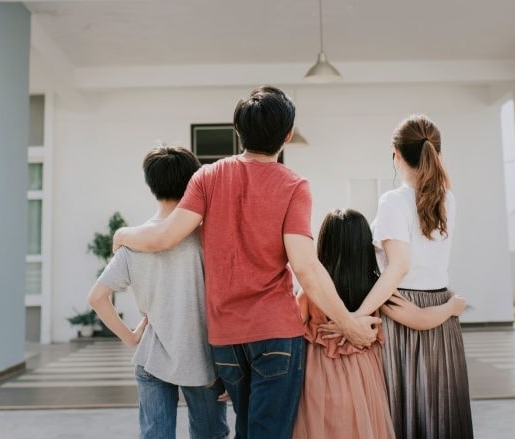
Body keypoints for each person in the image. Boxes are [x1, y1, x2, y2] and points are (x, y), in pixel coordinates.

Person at [112, 85, 379, 439]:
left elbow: (164, 237)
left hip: (225, 339)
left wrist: (123, 235)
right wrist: (348, 324)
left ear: (238, 131)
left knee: (247, 430)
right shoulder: (294, 185)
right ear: (287, 135)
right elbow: (306, 267)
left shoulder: (207, 176)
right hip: (276, 334)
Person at [341, 114, 473, 438]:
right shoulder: (448, 198)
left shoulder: (393, 201)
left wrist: (356, 315)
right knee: (440, 407)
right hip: (441, 309)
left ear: (396, 154)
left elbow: (398, 267)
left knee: (403, 409)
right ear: (436, 153)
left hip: (402, 308)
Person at [87, 146, 229, 439]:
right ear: (193, 181)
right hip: (203, 360)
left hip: (152, 356)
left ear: (151, 185)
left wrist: (131, 337)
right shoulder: (207, 238)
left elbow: (97, 298)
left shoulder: (134, 242)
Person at [293, 208, 397, 439]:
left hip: (319, 371)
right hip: (363, 374)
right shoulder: (375, 287)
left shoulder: (312, 291)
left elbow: (291, 328)